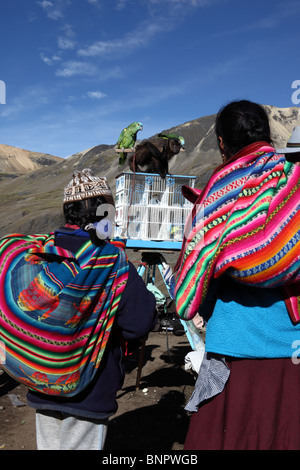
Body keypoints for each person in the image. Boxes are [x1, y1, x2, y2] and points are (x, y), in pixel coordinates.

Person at [175, 100, 300, 450]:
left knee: (223, 438)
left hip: (230, 348)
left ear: (220, 142)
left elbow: (191, 278)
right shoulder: (294, 176)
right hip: (290, 346)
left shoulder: (219, 189)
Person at [25, 168, 157, 450]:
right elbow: (139, 322)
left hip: (41, 376)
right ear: (104, 213)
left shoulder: (40, 253)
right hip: (90, 386)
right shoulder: (112, 262)